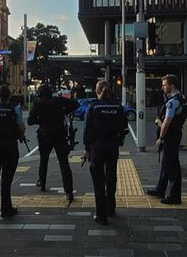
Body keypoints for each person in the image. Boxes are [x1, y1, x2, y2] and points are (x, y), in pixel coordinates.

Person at [83, 81, 128, 225]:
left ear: (97, 91)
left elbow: (87, 131)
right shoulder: (117, 106)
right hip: (113, 146)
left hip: (97, 146)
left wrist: (87, 148)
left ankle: (101, 215)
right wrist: (118, 141)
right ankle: (111, 207)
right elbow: (124, 128)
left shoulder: (93, 106)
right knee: (111, 176)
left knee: (98, 180)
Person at [28, 84, 79, 201]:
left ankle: (42, 183)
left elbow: (30, 121)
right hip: (60, 135)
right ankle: (69, 191)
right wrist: (64, 112)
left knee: (43, 160)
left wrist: (40, 120)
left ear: (40, 94)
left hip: (44, 135)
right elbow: (76, 104)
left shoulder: (38, 104)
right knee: (64, 163)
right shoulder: (59, 101)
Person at [0, 85, 25, 217]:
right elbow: (21, 127)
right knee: (7, 179)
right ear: (10, 96)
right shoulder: (15, 108)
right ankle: (6, 209)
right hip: (10, 145)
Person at [147, 74, 187, 205]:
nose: (162, 87)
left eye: (164, 85)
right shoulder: (181, 98)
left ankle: (175, 196)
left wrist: (160, 136)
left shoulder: (172, 102)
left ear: (172, 86)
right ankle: (160, 189)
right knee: (166, 163)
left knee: (171, 165)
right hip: (175, 134)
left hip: (170, 136)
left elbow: (166, 124)